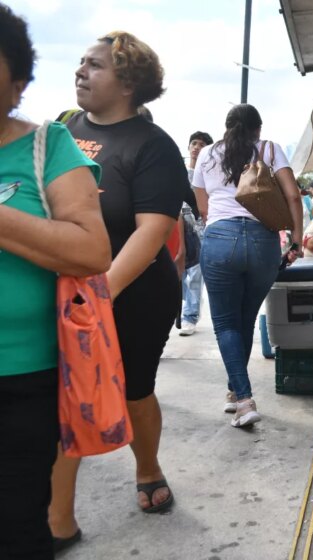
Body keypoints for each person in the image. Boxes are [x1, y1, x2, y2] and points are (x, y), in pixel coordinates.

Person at [49, 31, 187, 546]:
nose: (81, 72)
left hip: (134, 290)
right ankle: (57, 514)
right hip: (65, 285)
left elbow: (151, 232)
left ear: (128, 82)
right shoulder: (60, 130)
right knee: (59, 393)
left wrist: (100, 294)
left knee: (133, 389)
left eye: (96, 65)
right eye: (81, 62)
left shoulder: (153, 147)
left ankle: (147, 466)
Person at [0, 5, 111, 558]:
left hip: (23, 382)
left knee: (18, 526)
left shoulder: (47, 145)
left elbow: (92, 250)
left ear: (17, 82)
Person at [193, 104, 303, 427]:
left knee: (226, 324)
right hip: (262, 243)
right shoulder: (269, 150)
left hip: (220, 241)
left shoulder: (206, 155)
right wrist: (295, 240)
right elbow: (293, 196)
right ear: (258, 128)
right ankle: (234, 390)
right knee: (244, 318)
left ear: (226, 127)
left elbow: (204, 208)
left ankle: (243, 400)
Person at [180, 130, 213, 336]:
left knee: (195, 274)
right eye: (194, 143)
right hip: (177, 225)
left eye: (201, 144)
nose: (196, 147)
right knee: (178, 272)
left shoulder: (209, 174)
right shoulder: (177, 171)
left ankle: (189, 316)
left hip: (199, 227)